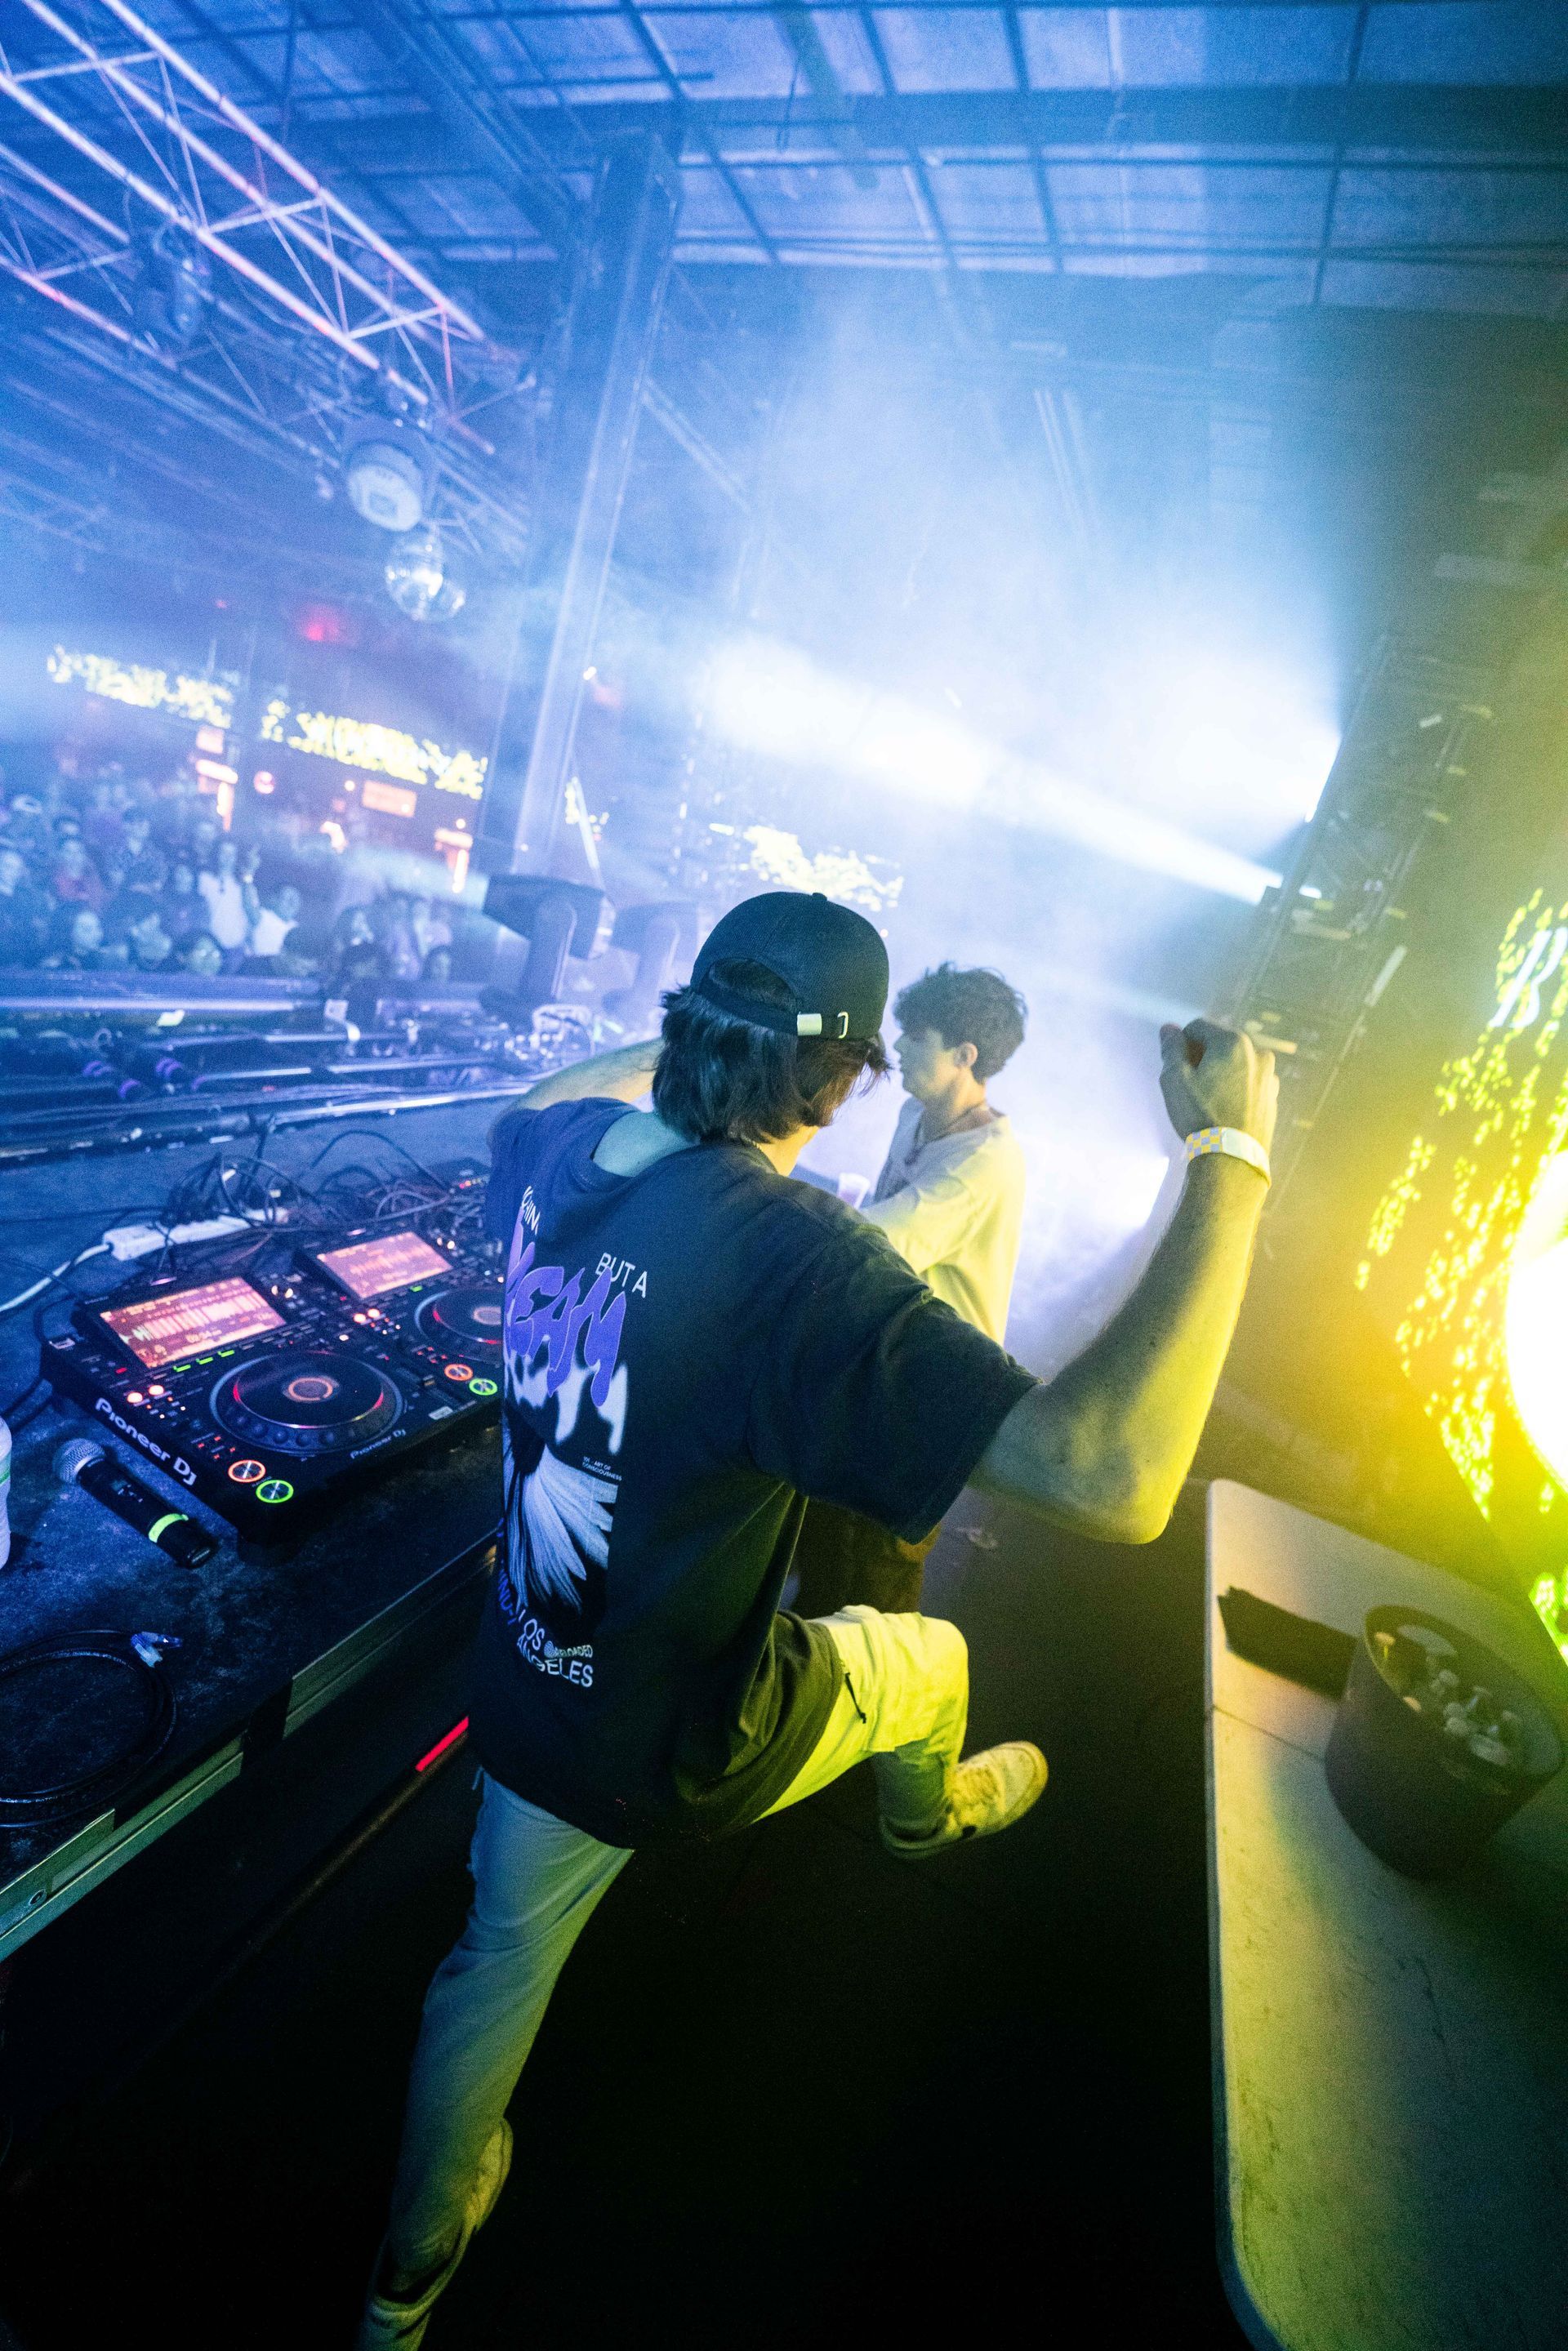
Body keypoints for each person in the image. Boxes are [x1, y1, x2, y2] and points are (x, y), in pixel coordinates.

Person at [356, 888, 1277, 2349]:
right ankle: (924, 1817)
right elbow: (1113, 1477)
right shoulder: (784, 1254)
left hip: (529, 1681)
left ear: (686, 1021)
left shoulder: (550, 1148)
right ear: (842, 1085)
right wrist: (1234, 1155)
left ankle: (400, 2288)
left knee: (492, 1958)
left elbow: (531, 1100)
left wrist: (686, 1035)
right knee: (936, 1654)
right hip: (678, 1733)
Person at [791, 962, 1029, 1615]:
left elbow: (877, 1241)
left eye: (916, 1037)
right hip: (886, 1367)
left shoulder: (984, 1161)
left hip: (932, 1396)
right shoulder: (914, 1115)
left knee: (873, 1587)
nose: (897, 1046)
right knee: (825, 1548)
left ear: (965, 1055)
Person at [198, 836, 256, 960]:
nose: (228, 858)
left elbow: (252, 914)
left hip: (236, 949)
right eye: (224, 853)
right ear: (217, 854)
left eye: (232, 854)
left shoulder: (244, 884)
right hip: (210, 948)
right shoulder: (205, 879)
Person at [0, 846, 47, 967]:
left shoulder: (26, 897)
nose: (12, 873)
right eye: (8, 867)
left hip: (21, 960)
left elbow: (30, 930)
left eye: (16, 869)